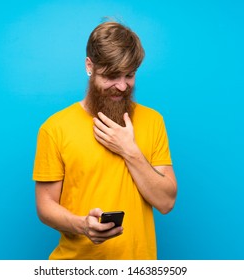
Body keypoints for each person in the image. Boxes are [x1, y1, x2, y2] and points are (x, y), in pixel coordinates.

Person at [33, 21, 177, 260]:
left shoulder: (153, 121)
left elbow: (166, 202)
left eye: (129, 75)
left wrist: (129, 150)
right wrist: (82, 225)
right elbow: (45, 206)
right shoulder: (55, 128)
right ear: (90, 66)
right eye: (111, 75)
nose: (122, 86)